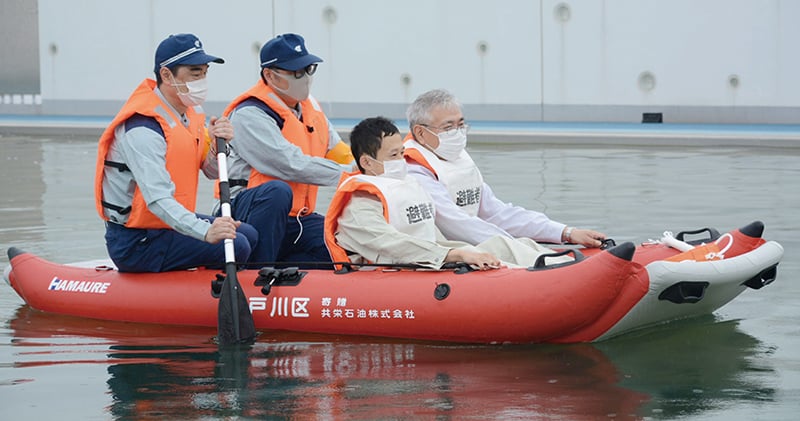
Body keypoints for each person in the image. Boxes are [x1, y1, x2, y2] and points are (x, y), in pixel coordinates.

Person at [96, 33, 257, 272]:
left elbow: (211, 171)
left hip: (167, 228)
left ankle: (226, 282)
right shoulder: (143, 128)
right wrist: (206, 231)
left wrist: (218, 144)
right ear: (166, 75)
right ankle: (204, 295)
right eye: (194, 72)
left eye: (204, 72)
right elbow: (158, 200)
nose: (202, 79)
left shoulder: (188, 114)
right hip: (137, 242)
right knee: (237, 245)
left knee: (248, 233)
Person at [404, 89, 606, 249]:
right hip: (438, 255)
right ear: (421, 133)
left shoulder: (456, 160)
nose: (457, 133)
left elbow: (498, 213)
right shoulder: (414, 171)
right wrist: (519, 247)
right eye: (448, 128)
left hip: (472, 249)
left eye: (461, 125)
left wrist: (565, 232)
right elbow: (457, 224)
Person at [220, 33, 354, 267]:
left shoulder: (310, 107)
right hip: (250, 211)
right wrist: (351, 176)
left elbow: (339, 152)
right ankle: (256, 273)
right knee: (277, 192)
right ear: (270, 75)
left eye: (309, 69)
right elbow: (289, 163)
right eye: (296, 72)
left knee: (338, 249)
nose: (305, 78)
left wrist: (370, 169)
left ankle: (284, 272)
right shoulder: (250, 114)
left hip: (297, 218)